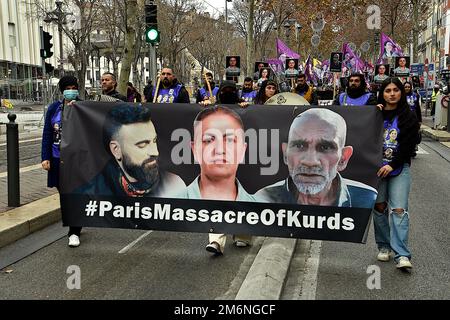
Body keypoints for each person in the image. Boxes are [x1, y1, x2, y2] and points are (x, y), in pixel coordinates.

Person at [256, 108, 377, 208]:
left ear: (343, 159)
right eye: (299, 145)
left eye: (325, 147)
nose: (310, 162)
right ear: (285, 154)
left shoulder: (367, 199)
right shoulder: (263, 199)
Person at [177, 106, 255, 255]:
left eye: (230, 140)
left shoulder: (262, 198)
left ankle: (243, 233)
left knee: (238, 197)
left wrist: (246, 106)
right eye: (208, 140)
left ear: (243, 149)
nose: (219, 149)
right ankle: (216, 239)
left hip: (242, 182)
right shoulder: (175, 198)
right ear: (194, 149)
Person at [73, 104, 186, 197]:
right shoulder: (93, 193)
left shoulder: (174, 184)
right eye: (142, 144)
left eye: (154, 141)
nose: (155, 152)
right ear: (116, 150)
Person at [373, 77, 419, 271]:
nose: (392, 93)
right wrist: (372, 113)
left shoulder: (408, 116)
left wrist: (392, 164)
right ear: (382, 93)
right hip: (376, 169)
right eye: (388, 90)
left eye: (396, 90)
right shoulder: (374, 113)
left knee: (399, 210)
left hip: (399, 168)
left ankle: (402, 254)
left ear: (401, 92)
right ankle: (384, 246)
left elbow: (409, 146)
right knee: (379, 208)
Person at [41, 75, 83, 247]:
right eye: (68, 88)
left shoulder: (83, 107)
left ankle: (74, 231)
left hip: (76, 160)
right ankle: (75, 223)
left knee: (73, 194)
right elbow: (47, 134)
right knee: (64, 194)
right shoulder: (54, 108)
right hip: (57, 158)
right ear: (62, 90)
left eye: (74, 87)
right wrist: (45, 157)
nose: (71, 91)